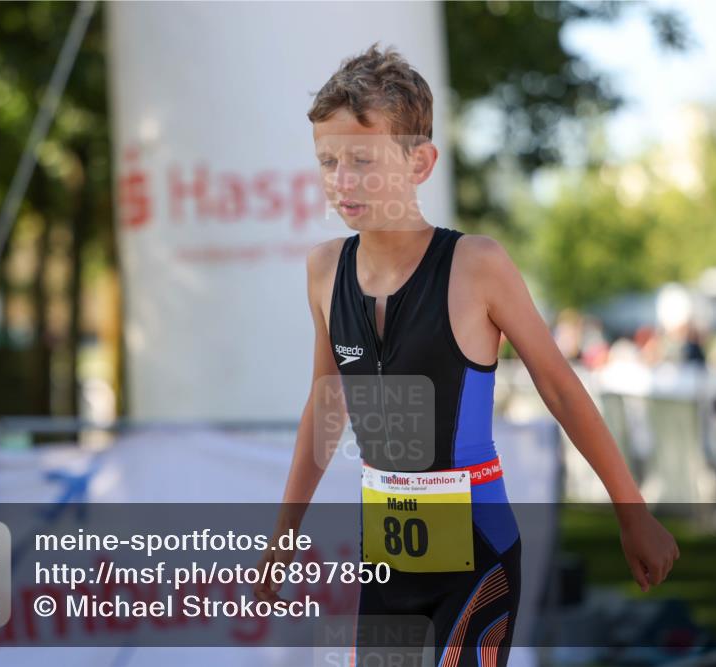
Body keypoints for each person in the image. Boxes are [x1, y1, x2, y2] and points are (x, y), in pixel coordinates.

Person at [254, 43, 679, 666]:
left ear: (420, 162)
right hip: (386, 564)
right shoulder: (324, 270)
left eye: (362, 160)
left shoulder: (476, 265)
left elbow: (560, 388)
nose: (342, 181)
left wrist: (631, 512)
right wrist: (284, 532)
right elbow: (326, 408)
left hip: (477, 555)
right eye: (328, 161)